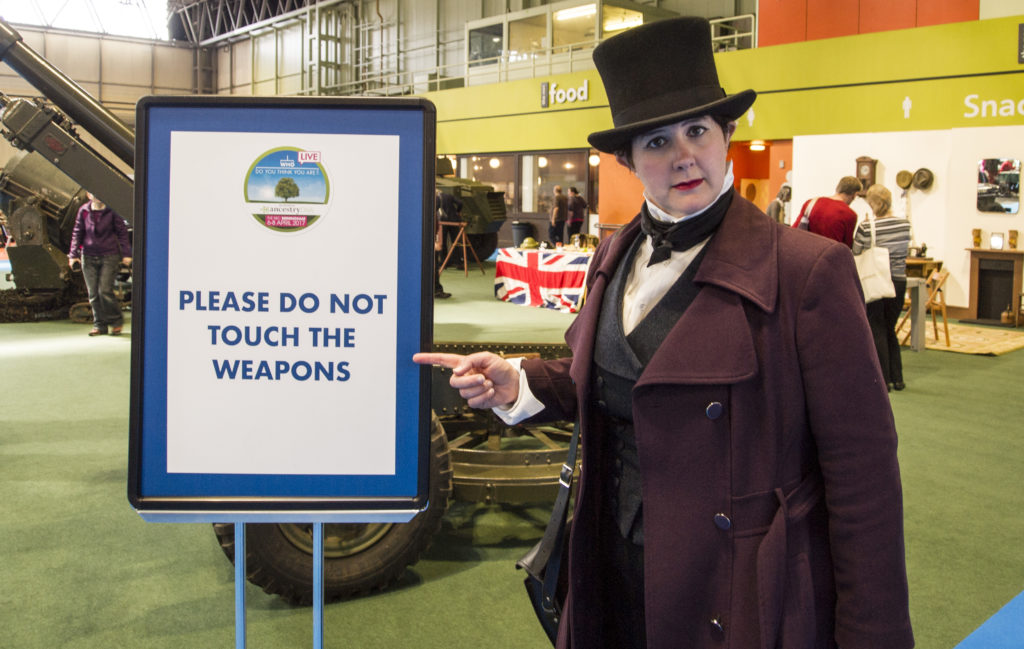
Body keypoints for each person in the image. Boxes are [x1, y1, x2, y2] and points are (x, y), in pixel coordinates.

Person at [414, 17, 913, 649]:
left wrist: (875, 636)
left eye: (697, 130)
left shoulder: (807, 273)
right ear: (626, 160)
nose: (682, 156)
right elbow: (620, 382)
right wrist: (519, 380)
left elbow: (863, 477)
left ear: (726, 133)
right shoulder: (615, 254)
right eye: (655, 142)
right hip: (612, 570)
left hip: (735, 593)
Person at [853, 184, 913, 392]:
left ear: (872, 203)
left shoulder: (867, 227)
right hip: (898, 280)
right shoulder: (905, 225)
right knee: (890, 328)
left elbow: (856, 252)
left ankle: (883, 379)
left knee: (876, 327)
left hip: (877, 279)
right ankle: (898, 378)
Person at [68, 192, 131, 336]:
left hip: (109, 256)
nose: (96, 195)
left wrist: (127, 254)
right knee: (93, 294)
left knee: (105, 291)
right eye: (92, 193)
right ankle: (99, 325)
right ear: (88, 195)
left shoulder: (112, 212)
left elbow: (122, 233)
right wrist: (73, 255)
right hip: (88, 256)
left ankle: (116, 321)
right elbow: (77, 233)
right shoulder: (83, 211)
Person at [792, 175, 861, 246]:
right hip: (830, 255)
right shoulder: (850, 214)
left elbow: (794, 229)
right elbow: (847, 245)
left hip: (807, 251)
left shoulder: (810, 203)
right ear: (855, 195)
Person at [433, 188, 462, 299]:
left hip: (442, 224)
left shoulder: (433, 203)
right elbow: (460, 203)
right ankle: (458, 262)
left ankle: (445, 262)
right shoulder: (446, 196)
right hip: (453, 220)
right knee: (455, 242)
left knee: (443, 244)